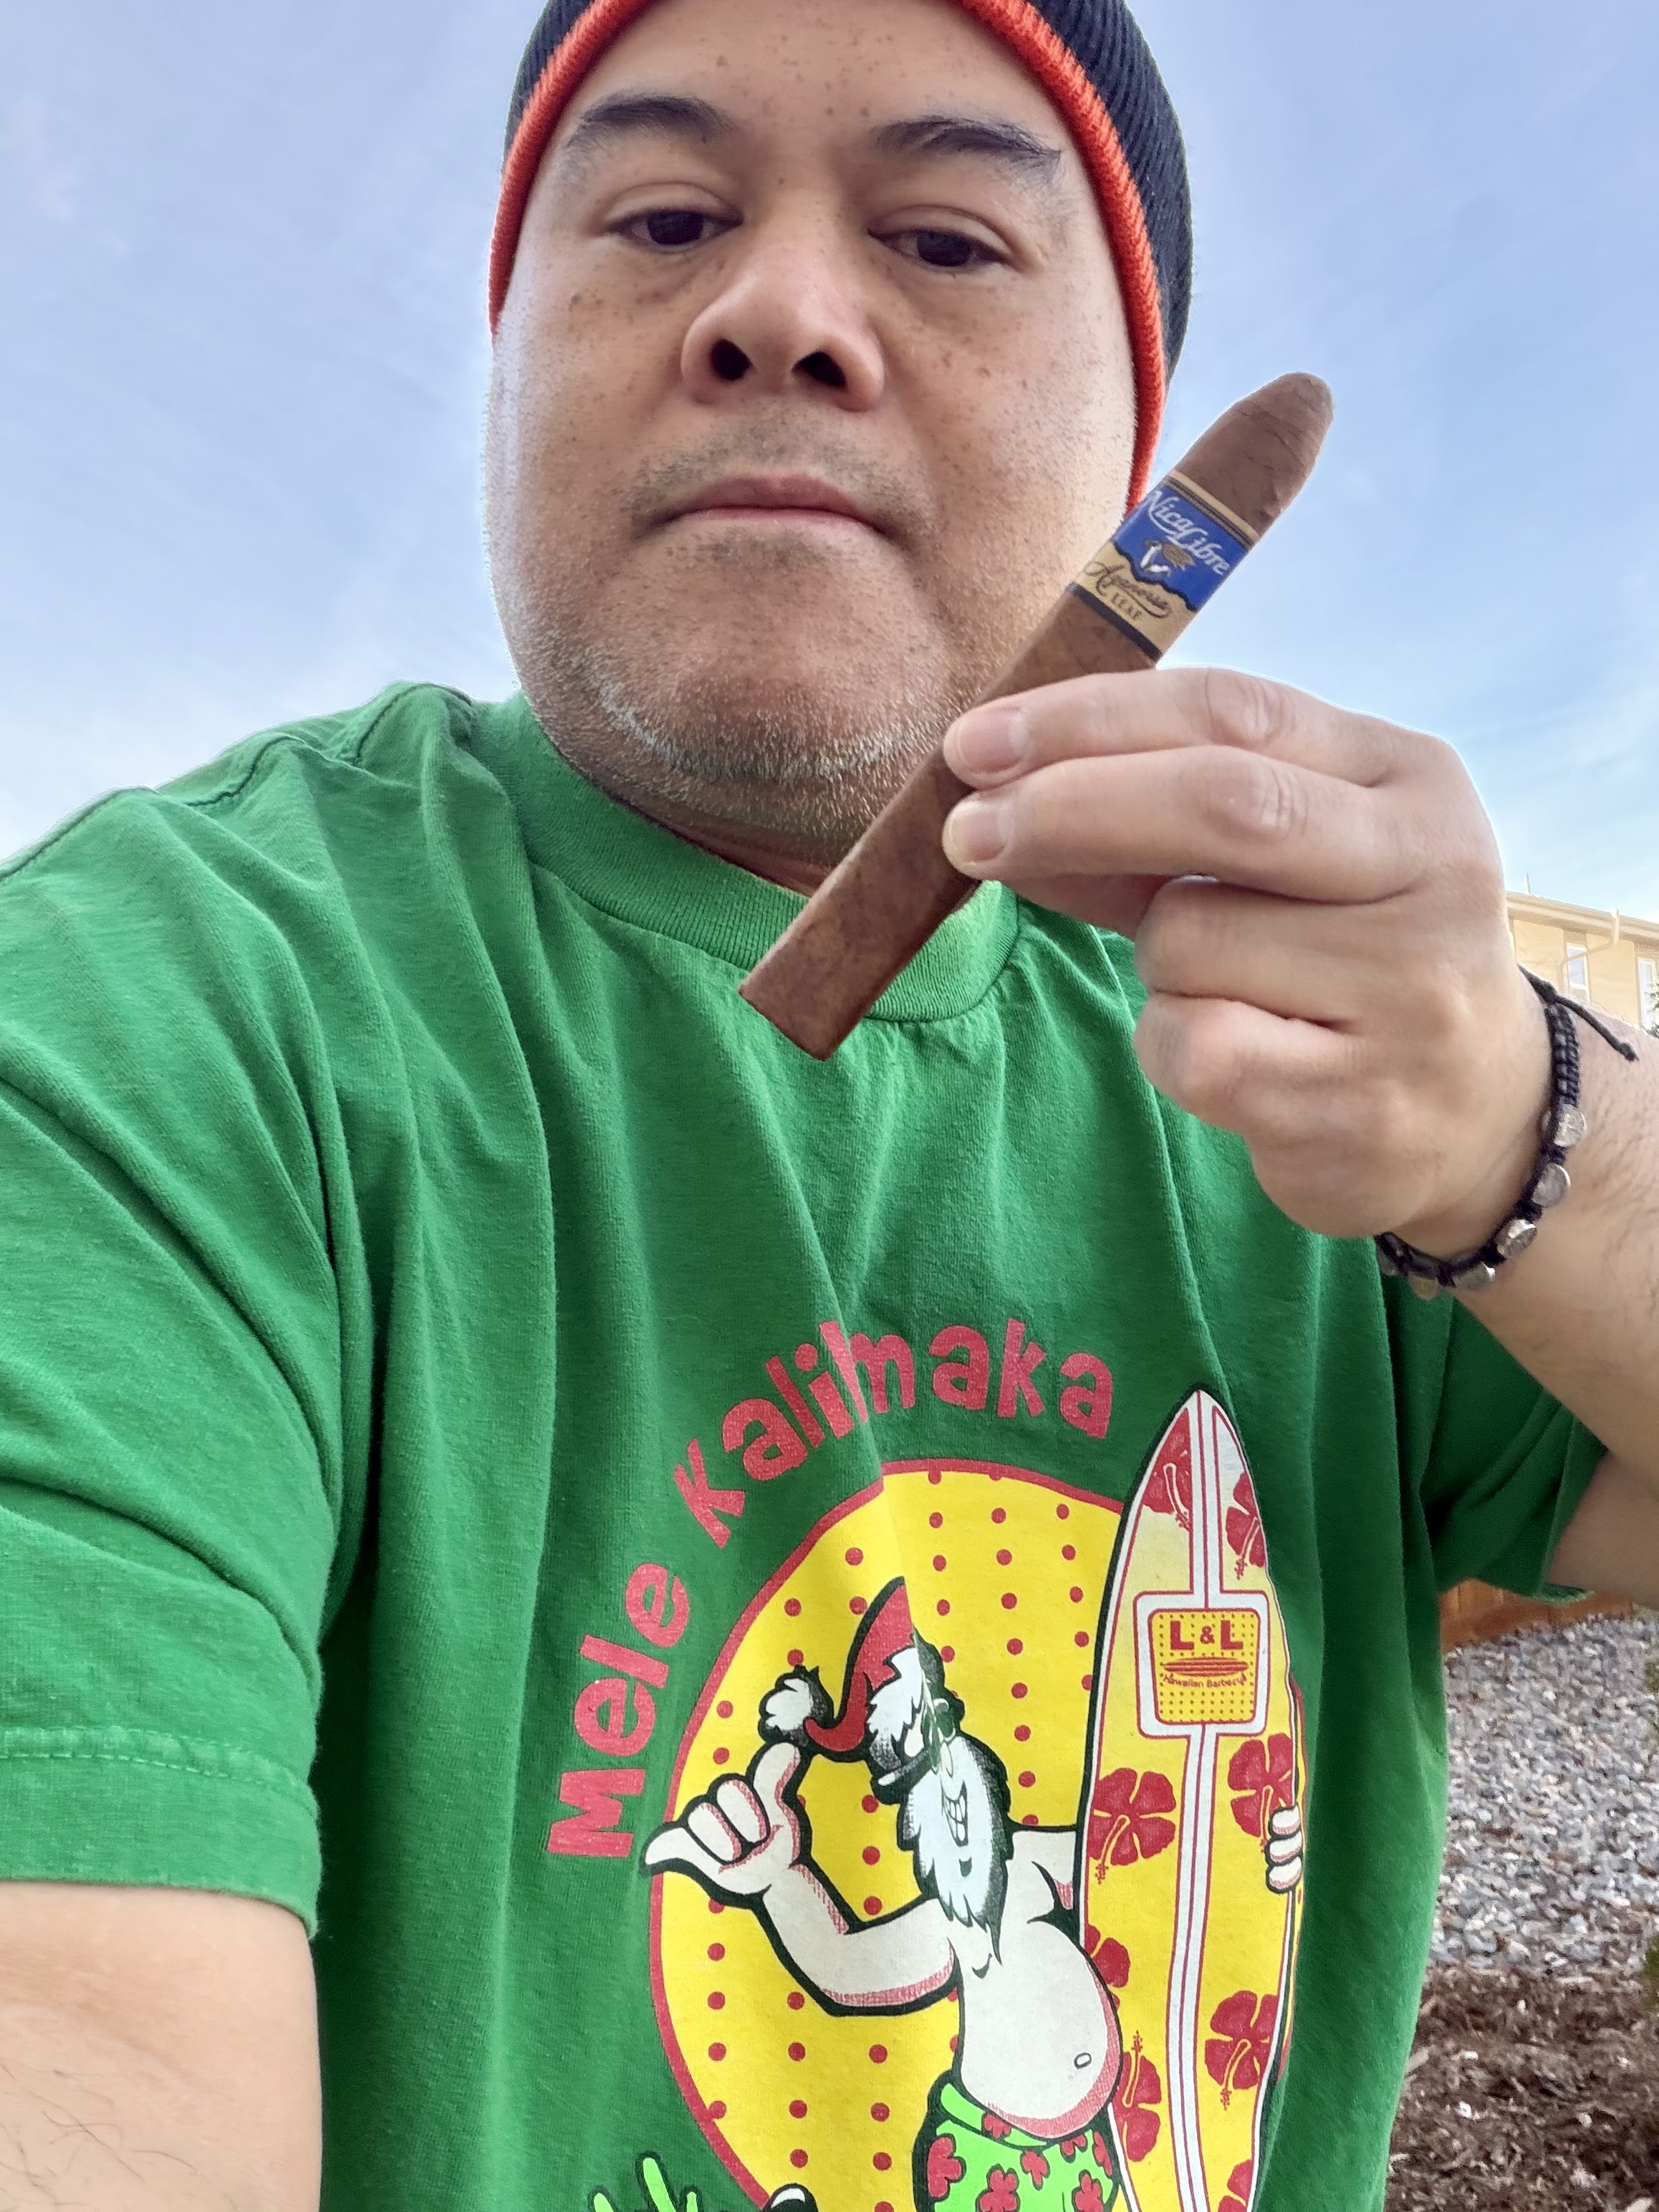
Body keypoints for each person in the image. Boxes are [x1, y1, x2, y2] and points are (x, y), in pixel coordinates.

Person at [0, 3, 1655, 2211]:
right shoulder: (150, 1013)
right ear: (506, 367)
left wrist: (1537, 1139)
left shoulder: (1327, 1086)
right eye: (660, 218)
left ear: (1140, 448)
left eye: (945, 240)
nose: (777, 310)